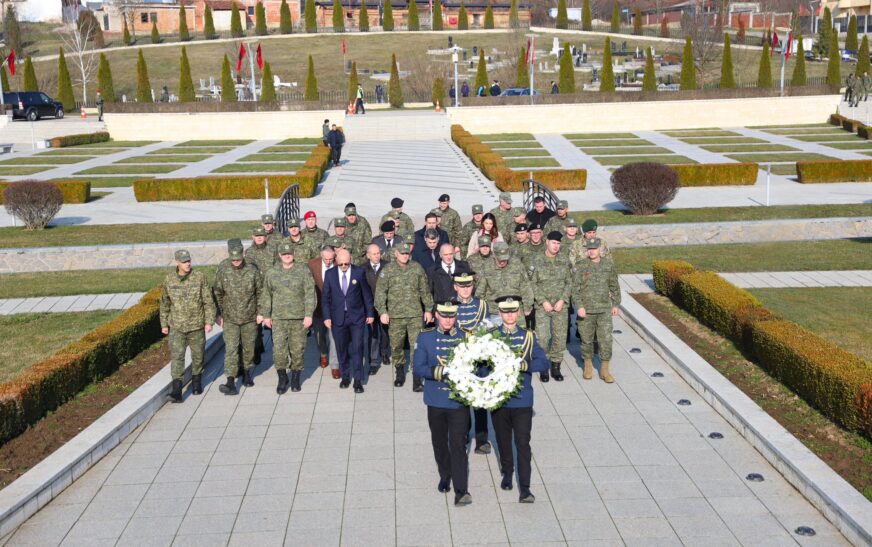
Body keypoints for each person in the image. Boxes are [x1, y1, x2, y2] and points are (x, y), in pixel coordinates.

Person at [413, 301, 472, 506]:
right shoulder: (425, 337)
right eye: (444, 316)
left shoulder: (466, 337)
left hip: (458, 401)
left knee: (458, 444)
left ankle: (461, 490)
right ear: (437, 315)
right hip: (436, 400)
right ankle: (445, 475)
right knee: (439, 442)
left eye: (451, 316)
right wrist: (442, 371)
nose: (448, 320)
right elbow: (418, 368)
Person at [491, 296, 549, 503]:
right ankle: (507, 472)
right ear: (500, 313)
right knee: (503, 440)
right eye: (505, 312)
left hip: (522, 399)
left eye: (512, 311)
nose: (509, 315)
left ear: (517, 313)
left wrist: (525, 366)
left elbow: (543, 362)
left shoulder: (528, 337)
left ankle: (525, 487)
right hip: (500, 400)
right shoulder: (491, 337)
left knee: (523, 443)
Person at [373, 242, 434, 390]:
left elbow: (424, 290)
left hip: (415, 314)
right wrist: (383, 312)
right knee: (396, 346)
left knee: (416, 346)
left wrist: (428, 309)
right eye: (402, 253)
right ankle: (399, 371)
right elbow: (380, 293)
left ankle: (416, 377)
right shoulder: (387, 270)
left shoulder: (417, 268)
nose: (405, 256)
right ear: (396, 254)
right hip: (395, 316)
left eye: (407, 253)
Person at [160, 249, 216, 402]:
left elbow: (208, 301)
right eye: (184, 261)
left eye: (189, 261)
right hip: (177, 327)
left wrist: (209, 321)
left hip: (196, 326)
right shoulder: (169, 280)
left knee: (198, 356)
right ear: (177, 262)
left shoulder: (199, 277)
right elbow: (165, 303)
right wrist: (164, 324)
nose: (187, 264)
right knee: (177, 357)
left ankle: (197, 382)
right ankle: (177, 390)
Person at [260, 242, 316, 394]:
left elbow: (310, 293)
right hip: (278, 319)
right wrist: (266, 315)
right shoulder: (272, 272)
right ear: (279, 255)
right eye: (284, 254)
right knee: (279, 350)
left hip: (299, 318)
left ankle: (296, 377)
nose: (287, 256)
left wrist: (308, 314)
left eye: (289, 253)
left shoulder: (303, 270)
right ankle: (282, 377)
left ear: (294, 254)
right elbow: (266, 295)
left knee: (297, 349)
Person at [323, 249, 375, 393]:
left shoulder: (358, 272)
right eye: (341, 264)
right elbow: (325, 298)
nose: (344, 266)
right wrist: (327, 317)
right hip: (338, 318)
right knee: (341, 349)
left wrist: (370, 313)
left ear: (351, 260)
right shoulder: (330, 274)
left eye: (346, 263)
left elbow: (366, 294)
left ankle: (358, 380)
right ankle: (345, 376)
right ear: (336, 262)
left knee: (358, 348)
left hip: (357, 317)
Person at [214, 245, 262, 395]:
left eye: (238, 259)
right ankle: (230, 381)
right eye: (233, 259)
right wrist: (219, 314)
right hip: (230, 319)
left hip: (249, 317)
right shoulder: (223, 272)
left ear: (243, 256)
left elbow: (261, 292)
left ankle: (247, 373)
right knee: (231, 349)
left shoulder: (252, 271)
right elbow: (217, 293)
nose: (236, 261)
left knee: (249, 348)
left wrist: (261, 312)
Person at [571, 237, 620, 383]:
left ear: (600, 249)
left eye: (594, 249)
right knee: (586, 340)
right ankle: (588, 365)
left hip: (604, 309)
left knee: (606, 339)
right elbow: (575, 289)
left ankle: (604, 369)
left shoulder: (608, 265)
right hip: (586, 310)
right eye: (589, 249)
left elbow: (614, 286)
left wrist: (615, 304)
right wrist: (579, 306)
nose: (592, 251)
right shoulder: (581, 266)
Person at [453, 272, 492, 455]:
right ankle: (464, 434)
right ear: (455, 287)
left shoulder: (482, 305)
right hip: (460, 361)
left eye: (468, 286)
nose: (465, 290)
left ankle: (482, 439)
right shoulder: (449, 306)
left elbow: (486, 328)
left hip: (479, 361)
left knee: (480, 401)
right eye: (462, 286)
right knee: (462, 401)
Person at [529, 232, 572, 383]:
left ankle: (556, 367)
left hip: (561, 306)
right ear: (547, 242)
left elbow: (570, 282)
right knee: (543, 338)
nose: (556, 246)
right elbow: (532, 283)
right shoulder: (536, 260)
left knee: (560, 337)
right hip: (543, 307)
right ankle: (544, 367)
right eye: (553, 243)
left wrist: (562, 299)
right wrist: (543, 301)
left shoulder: (564, 260)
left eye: (558, 243)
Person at [478, 242, 534, 326]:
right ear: (494, 255)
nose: (502, 262)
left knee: (519, 333)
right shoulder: (486, 267)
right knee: (496, 334)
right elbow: (480, 291)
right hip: (495, 311)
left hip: (516, 310)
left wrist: (527, 306)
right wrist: (482, 311)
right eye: (500, 259)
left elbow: (525, 286)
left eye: (505, 259)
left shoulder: (517, 264)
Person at [308, 245, 341, 377]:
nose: (328, 262)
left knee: (334, 336)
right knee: (319, 335)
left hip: (335, 307)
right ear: (321, 256)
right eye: (325, 259)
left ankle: (335, 365)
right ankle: (323, 353)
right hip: (318, 307)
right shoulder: (312, 264)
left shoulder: (339, 263)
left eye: (330, 259)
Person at [364, 244, 390, 374]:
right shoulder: (363, 269)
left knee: (385, 331)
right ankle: (374, 360)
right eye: (374, 254)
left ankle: (384, 352)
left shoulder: (387, 266)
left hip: (385, 305)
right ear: (368, 255)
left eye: (378, 253)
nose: (377, 256)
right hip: (370, 306)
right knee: (373, 334)